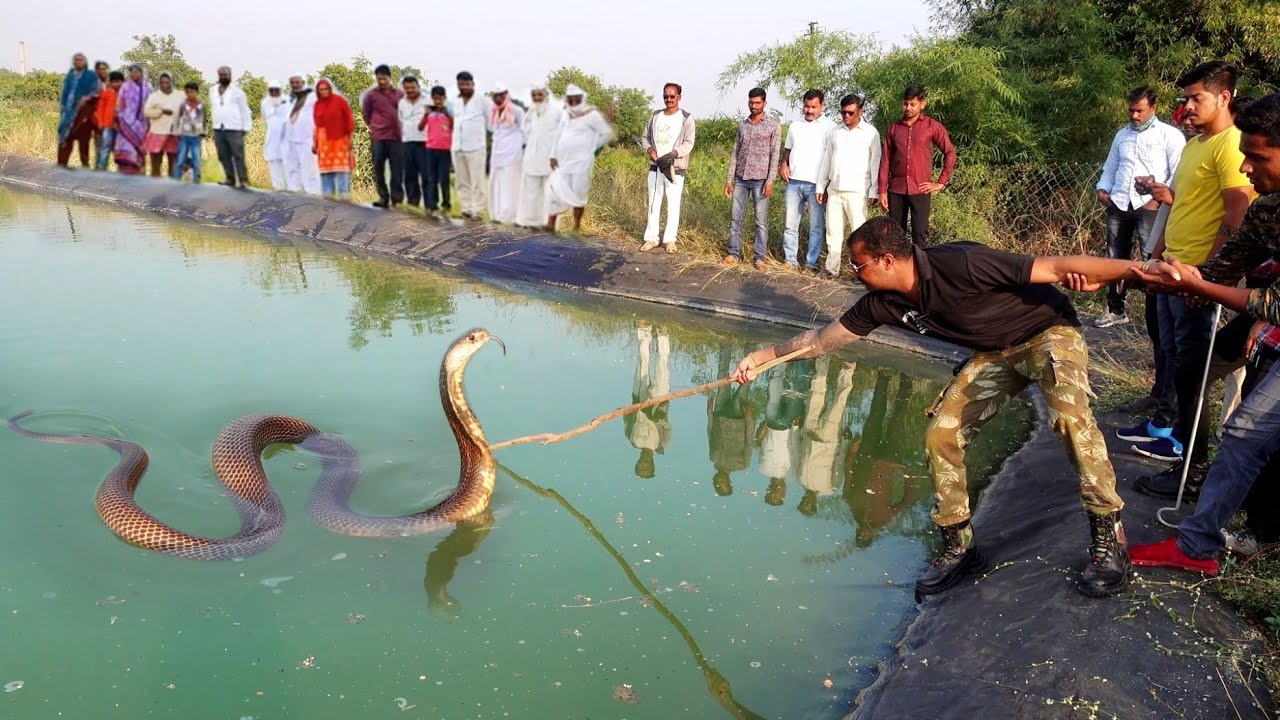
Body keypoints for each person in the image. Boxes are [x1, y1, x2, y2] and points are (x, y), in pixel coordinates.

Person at [731, 216, 1185, 599]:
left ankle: (1109, 536)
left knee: (1069, 417)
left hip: (1048, 333)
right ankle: (958, 544)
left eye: (858, 264)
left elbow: (1056, 266)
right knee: (940, 434)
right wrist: (764, 357)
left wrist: (1138, 269)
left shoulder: (960, 263)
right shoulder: (882, 303)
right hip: (994, 355)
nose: (853, 272)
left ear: (887, 261)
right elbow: (819, 341)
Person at [1123, 92, 1280, 575]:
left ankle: (1200, 546)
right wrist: (1157, 275)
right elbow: (1227, 266)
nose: (1247, 169)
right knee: (1202, 375)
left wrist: (1201, 285)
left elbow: (1274, 304)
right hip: (1268, 329)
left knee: (1248, 431)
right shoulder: (1270, 208)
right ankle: (1221, 515)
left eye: (1258, 158)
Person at [1121, 61, 1256, 471]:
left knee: (1191, 361)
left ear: (1224, 97)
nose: (1189, 106)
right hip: (1171, 265)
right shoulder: (1196, 144)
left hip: (1196, 274)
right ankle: (1166, 427)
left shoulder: (1231, 145)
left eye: (1197, 98)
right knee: (1168, 351)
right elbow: (1181, 203)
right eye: (1186, 98)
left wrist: (1209, 275)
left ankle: (1186, 450)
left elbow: (1237, 216)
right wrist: (1156, 255)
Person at [1094, 87, 1186, 329]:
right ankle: (1115, 310)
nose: (1134, 115)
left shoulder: (1170, 135)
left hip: (1151, 207)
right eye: (1131, 110)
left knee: (1151, 259)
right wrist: (1102, 189)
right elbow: (1111, 167)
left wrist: (1158, 196)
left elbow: (1178, 173)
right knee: (1115, 257)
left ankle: (1154, 317)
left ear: (1153, 109)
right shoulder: (1121, 136)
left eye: (1140, 111)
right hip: (1119, 203)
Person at [877, 85, 957, 247]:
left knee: (920, 232)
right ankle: (899, 271)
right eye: (905, 104)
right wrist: (882, 190)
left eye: (912, 104)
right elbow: (885, 160)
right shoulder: (894, 128)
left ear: (922, 104)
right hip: (896, 189)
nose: (908, 108)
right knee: (895, 233)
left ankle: (921, 270)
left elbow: (950, 153)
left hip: (921, 188)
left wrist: (940, 182)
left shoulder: (932, 127)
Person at [816, 93, 881, 279]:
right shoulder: (835, 132)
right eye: (843, 112)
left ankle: (860, 272)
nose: (846, 116)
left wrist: (874, 190)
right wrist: (821, 186)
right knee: (833, 232)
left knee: (859, 235)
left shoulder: (870, 133)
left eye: (850, 112)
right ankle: (831, 269)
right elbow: (827, 160)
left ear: (860, 111)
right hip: (835, 190)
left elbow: (875, 162)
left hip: (858, 191)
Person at [722, 87, 781, 270]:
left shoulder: (773, 126)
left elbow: (775, 155)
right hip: (740, 178)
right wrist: (729, 179)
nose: (753, 106)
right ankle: (733, 253)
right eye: (751, 102)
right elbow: (735, 153)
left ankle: (759, 257)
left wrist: (770, 181)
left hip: (761, 181)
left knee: (760, 221)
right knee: (735, 218)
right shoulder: (743, 125)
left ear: (764, 103)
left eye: (757, 103)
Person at [544, 84, 613, 233]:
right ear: (567, 100)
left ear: (581, 99)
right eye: (571, 99)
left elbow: (606, 133)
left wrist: (590, 148)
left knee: (578, 193)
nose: (573, 102)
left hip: (582, 162)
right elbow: (558, 135)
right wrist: (552, 155)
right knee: (555, 189)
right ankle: (551, 222)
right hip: (563, 160)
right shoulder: (565, 114)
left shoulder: (592, 115)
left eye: (576, 99)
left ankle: (576, 226)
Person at [779, 89, 835, 270]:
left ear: (822, 106)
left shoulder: (830, 127)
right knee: (790, 224)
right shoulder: (795, 126)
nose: (810, 111)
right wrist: (784, 164)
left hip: (816, 185)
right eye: (807, 106)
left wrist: (826, 185)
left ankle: (811, 263)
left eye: (814, 107)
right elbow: (788, 149)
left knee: (816, 226)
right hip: (794, 182)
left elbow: (833, 157)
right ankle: (790, 260)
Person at [640, 82, 696, 253]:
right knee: (654, 202)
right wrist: (649, 149)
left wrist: (674, 154)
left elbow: (689, 143)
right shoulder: (655, 116)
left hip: (674, 168)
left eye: (672, 96)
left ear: (679, 96)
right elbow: (645, 138)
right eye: (666, 96)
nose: (669, 99)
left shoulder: (686, 118)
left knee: (673, 203)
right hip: (656, 166)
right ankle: (651, 238)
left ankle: (670, 240)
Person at [625, 321, 672, 478]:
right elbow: (667, 425)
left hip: (639, 399)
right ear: (652, 464)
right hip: (659, 403)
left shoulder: (632, 440)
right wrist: (658, 417)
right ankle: (663, 336)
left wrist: (628, 410)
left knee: (642, 363)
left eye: (641, 464)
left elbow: (628, 419)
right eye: (646, 464)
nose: (643, 461)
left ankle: (644, 331)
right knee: (662, 368)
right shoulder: (661, 444)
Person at [517, 84, 561, 228]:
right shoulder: (531, 112)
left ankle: (548, 224)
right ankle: (530, 222)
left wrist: (556, 155)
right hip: (532, 158)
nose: (536, 98)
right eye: (534, 95)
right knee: (531, 192)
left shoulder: (556, 112)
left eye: (539, 95)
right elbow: (524, 133)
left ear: (546, 96)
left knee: (550, 192)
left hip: (550, 158)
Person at [362, 64, 405, 208]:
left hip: (396, 138)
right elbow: (366, 114)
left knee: (397, 169)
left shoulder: (399, 94)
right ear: (376, 78)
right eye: (379, 79)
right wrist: (376, 126)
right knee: (378, 168)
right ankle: (383, 197)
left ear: (389, 78)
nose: (382, 81)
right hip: (378, 137)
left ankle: (397, 198)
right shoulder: (371, 95)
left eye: (384, 78)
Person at [450, 71, 490, 219]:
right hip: (457, 146)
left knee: (477, 181)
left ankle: (478, 211)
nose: (465, 87)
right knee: (461, 181)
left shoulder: (482, 100)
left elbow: (491, 120)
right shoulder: (455, 101)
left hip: (476, 147)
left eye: (467, 84)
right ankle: (466, 209)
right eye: (462, 84)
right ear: (458, 85)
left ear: (473, 84)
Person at [486, 83, 525, 224]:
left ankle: (510, 216)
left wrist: (522, 149)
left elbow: (525, 131)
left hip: (513, 154)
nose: (498, 98)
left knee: (511, 185)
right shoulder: (493, 112)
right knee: (496, 184)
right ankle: (496, 215)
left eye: (501, 95)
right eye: (495, 96)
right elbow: (493, 131)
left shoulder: (517, 111)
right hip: (497, 154)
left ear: (506, 95)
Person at [208, 66, 252, 188]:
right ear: (218, 75)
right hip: (218, 128)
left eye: (226, 75)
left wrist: (245, 128)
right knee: (223, 155)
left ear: (230, 75)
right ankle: (230, 178)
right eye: (221, 75)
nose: (223, 77)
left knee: (238, 155)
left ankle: (243, 180)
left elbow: (245, 111)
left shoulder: (238, 93)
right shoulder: (212, 91)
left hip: (234, 128)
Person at [312, 78, 355, 200]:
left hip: (339, 144)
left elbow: (348, 121)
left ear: (329, 89)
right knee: (326, 176)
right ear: (318, 91)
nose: (324, 91)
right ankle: (328, 207)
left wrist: (349, 141)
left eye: (326, 89)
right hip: (324, 146)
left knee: (342, 174)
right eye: (321, 89)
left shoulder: (339, 101)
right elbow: (317, 126)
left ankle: (344, 205)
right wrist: (315, 144)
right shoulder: (317, 105)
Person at [57, 53, 99, 168]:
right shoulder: (70, 75)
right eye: (76, 60)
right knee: (66, 138)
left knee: (84, 141)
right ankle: (62, 165)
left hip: (84, 113)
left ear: (84, 62)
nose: (78, 62)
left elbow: (96, 91)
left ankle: (85, 165)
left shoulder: (90, 75)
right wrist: (62, 105)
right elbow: (65, 92)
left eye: (80, 60)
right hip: (69, 112)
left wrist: (86, 98)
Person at [398, 76, 431, 210]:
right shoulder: (401, 102)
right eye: (407, 88)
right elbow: (400, 121)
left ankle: (430, 206)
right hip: (406, 142)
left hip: (424, 142)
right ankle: (413, 204)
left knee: (426, 175)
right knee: (410, 175)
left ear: (418, 87)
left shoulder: (427, 100)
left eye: (413, 87)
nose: (410, 90)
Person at [284, 74, 321, 195]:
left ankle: (314, 196)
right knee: (293, 168)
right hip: (292, 140)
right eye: (292, 82)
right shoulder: (291, 99)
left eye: (297, 82)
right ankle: (295, 194)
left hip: (307, 140)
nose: (294, 85)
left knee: (310, 170)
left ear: (303, 83)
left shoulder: (312, 97)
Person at [142, 72, 183, 177]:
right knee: (156, 165)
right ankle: (155, 188)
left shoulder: (180, 95)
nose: (164, 85)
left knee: (173, 164)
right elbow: (146, 112)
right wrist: (161, 111)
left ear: (171, 82)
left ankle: (172, 188)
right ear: (159, 83)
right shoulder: (154, 96)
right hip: (157, 133)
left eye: (167, 82)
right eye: (162, 83)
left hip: (173, 134)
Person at [112, 65, 150, 175]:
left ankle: (140, 175)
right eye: (132, 72)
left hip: (141, 126)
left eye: (137, 72)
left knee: (140, 150)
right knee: (124, 151)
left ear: (141, 73)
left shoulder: (147, 88)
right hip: (125, 124)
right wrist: (119, 119)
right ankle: (122, 177)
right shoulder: (125, 87)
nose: (135, 74)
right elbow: (119, 105)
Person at [423, 85, 453, 217]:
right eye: (435, 99)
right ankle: (432, 205)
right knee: (432, 179)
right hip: (430, 149)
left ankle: (446, 205)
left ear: (444, 99)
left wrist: (446, 113)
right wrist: (426, 114)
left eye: (440, 99)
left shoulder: (449, 111)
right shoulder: (429, 112)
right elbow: (420, 127)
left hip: (445, 150)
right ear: (432, 99)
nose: (438, 102)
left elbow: (454, 126)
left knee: (444, 179)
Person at [260, 80, 291, 190]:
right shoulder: (264, 103)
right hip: (272, 143)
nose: (273, 92)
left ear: (280, 90)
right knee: (275, 174)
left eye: (276, 90)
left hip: (286, 143)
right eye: (271, 90)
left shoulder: (287, 101)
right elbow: (265, 118)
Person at [172, 82, 204, 184]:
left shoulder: (200, 105)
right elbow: (177, 119)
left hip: (195, 136)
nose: (190, 94)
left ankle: (196, 181)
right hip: (184, 136)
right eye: (187, 92)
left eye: (192, 92)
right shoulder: (183, 105)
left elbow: (202, 120)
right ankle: (175, 181)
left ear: (197, 92)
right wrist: (176, 131)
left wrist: (203, 131)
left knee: (196, 160)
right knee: (180, 159)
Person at [93, 70, 123, 171]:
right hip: (107, 127)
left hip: (120, 128)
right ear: (110, 82)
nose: (117, 83)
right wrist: (100, 124)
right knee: (105, 148)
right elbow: (100, 110)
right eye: (114, 81)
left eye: (119, 81)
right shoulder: (105, 94)